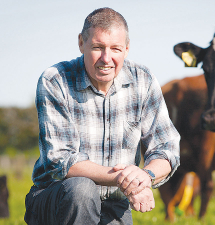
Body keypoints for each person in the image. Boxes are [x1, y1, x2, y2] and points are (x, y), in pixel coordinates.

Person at [24, 7, 180, 225]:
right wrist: (125, 179)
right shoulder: (55, 80)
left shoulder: (143, 80)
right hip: (56, 198)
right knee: (82, 189)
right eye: (97, 47)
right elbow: (61, 160)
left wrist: (145, 177)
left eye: (115, 49)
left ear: (126, 49)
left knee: (90, 194)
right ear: (81, 43)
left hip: (114, 203)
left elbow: (167, 148)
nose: (106, 59)